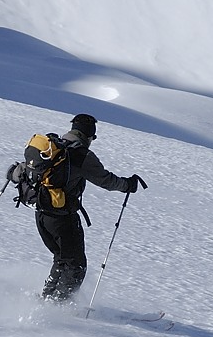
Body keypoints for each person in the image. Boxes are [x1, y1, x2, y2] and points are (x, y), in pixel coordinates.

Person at [32, 113, 142, 302]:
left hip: (42, 214)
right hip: (62, 218)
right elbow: (105, 180)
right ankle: (57, 307)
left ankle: (47, 298)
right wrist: (127, 185)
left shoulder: (51, 148)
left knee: (62, 258)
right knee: (76, 266)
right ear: (89, 136)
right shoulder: (81, 154)